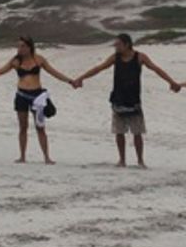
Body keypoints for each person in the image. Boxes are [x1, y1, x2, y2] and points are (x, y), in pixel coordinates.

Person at [72, 34, 180, 168]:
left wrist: (172, 82)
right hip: (118, 99)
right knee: (119, 132)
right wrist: (81, 78)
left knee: (137, 133)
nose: (115, 47)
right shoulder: (115, 58)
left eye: (118, 44)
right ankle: (122, 160)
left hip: (134, 100)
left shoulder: (140, 57)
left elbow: (156, 69)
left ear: (127, 44)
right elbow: (98, 68)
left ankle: (140, 160)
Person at [0, 36, 80, 164]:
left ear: (29, 47)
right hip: (22, 95)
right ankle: (22, 156)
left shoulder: (39, 59)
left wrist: (70, 81)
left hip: (37, 97)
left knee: (40, 128)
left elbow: (54, 72)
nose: (20, 49)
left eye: (23, 46)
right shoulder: (15, 61)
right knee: (23, 127)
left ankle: (47, 157)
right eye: (19, 46)